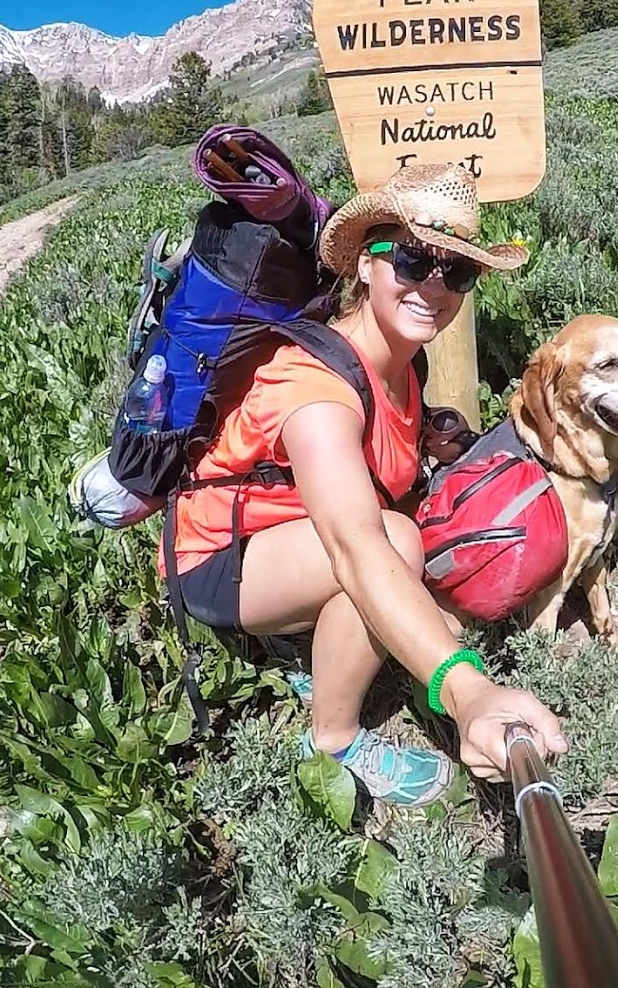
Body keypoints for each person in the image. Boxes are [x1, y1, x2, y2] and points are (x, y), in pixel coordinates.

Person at [157, 161, 568, 807]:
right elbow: (355, 545)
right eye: (410, 261)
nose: (433, 288)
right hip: (214, 560)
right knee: (396, 545)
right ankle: (333, 737)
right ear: (366, 265)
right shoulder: (316, 390)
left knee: (399, 545)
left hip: (282, 539)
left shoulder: (400, 360)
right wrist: (468, 690)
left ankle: (301, 637)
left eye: (455, 271)